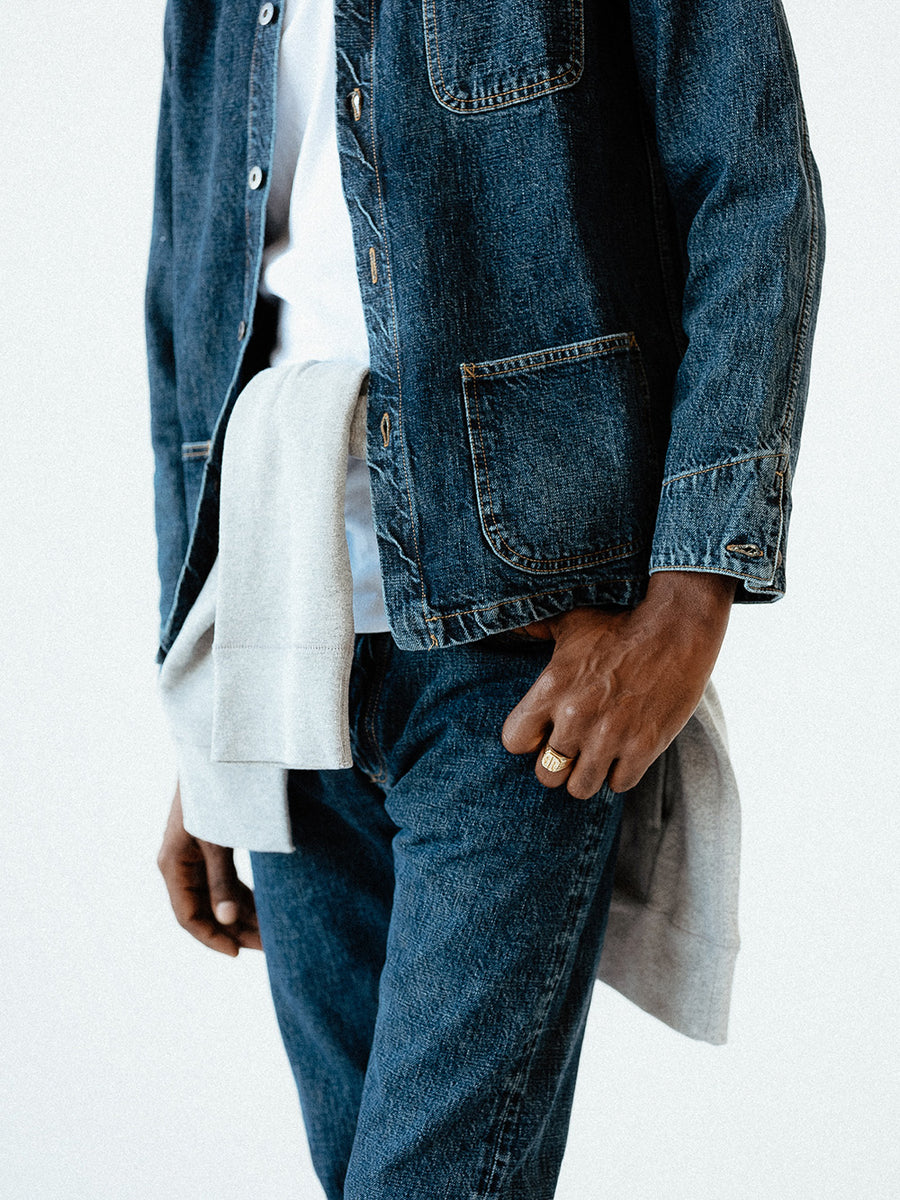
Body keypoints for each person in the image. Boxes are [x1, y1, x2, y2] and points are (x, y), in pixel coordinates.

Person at [149, 0, 824, 1195]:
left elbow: (754, 191)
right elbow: (187, 312)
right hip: (277, 644)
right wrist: (200, 680)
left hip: (522, 651)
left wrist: (690, 597)